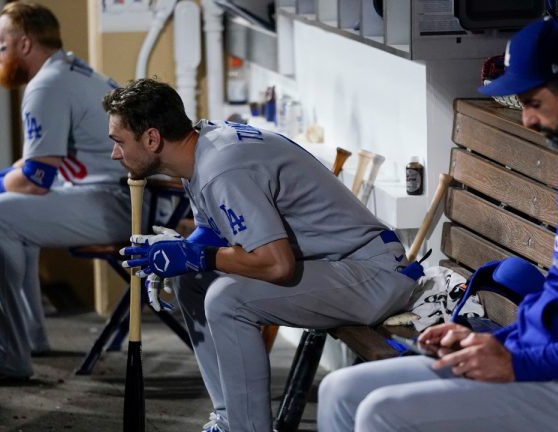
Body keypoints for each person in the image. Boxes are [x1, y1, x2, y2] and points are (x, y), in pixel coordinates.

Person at [316, 17, 558, 432]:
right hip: (538, 360)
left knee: (381, 412)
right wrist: (490, 342)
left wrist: (517, 362)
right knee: (340, 390)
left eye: (533, 103)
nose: (527, 121)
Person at [103, 78, 423, 432]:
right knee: (191, 281)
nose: (115, 153)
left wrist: (196, 255)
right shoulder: (203, 146)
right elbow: (213, 232)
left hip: (372, 274)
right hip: (337, 265)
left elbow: (277, 265)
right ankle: (228, 418)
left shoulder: (221, 169)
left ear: (152, 138)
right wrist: (177, 256)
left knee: (228, 299)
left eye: (119, 141)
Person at [0, 1, 130, 383]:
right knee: (10, 207)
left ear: (25, 44)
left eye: (1, 42)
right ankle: (24, 333)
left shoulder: (46, 84)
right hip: (128, 197)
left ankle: (4, 352)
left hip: (123, 202)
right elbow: (38, 166)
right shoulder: (66, 69)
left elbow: (36, 179)